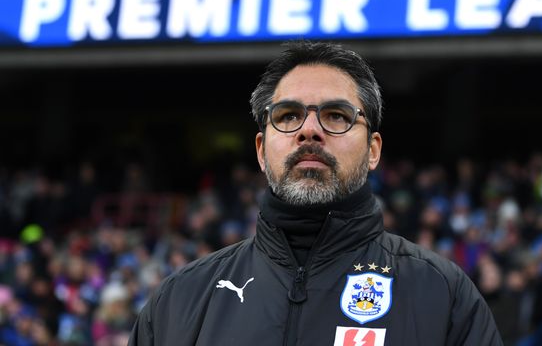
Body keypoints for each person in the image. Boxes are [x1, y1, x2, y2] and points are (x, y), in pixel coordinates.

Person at [128, 41, 502, 345]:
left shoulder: (442, 295)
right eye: (288, 115)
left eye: (336, 115)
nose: (309, 130)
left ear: (373, 151)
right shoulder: (179, 299)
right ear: (261, 150)